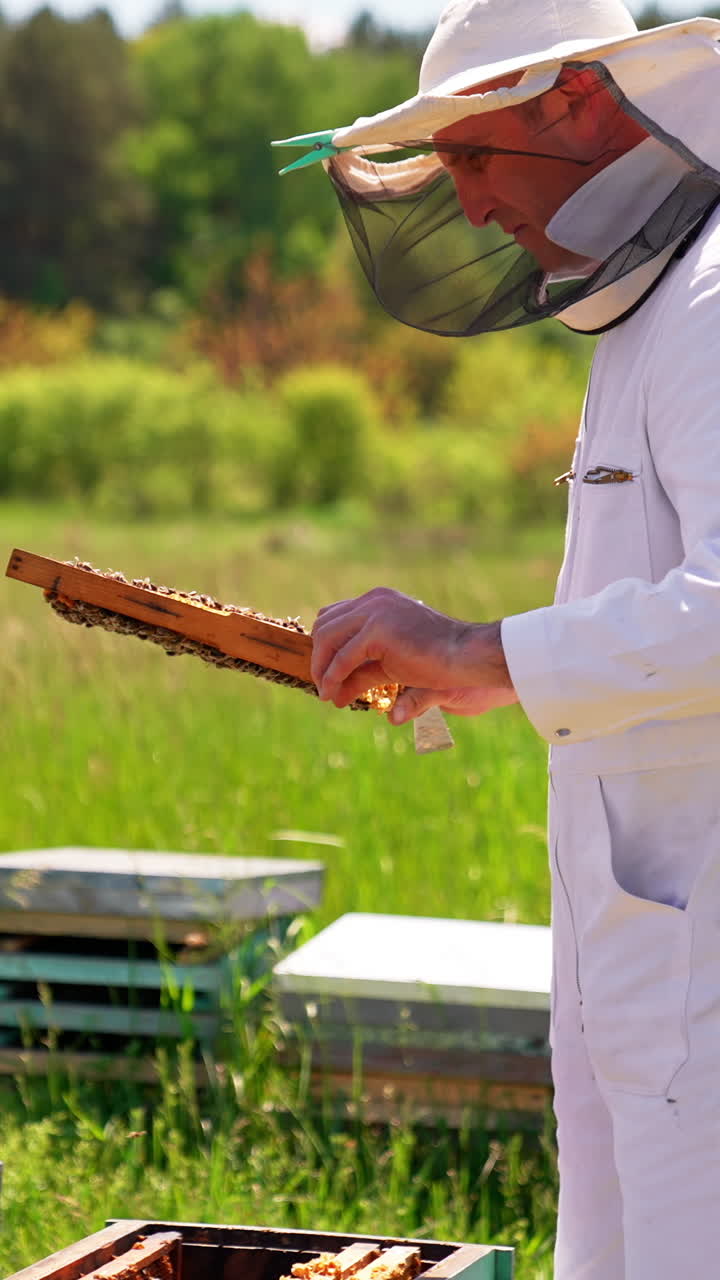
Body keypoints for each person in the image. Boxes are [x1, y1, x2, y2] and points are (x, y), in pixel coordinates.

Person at [278, 2, 720, 1275]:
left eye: (474, 157)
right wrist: (478, 676)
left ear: (575, 100)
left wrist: (479, 650)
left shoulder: (712, 297)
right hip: (642, 936)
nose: (468, 209)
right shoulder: (648, 309)